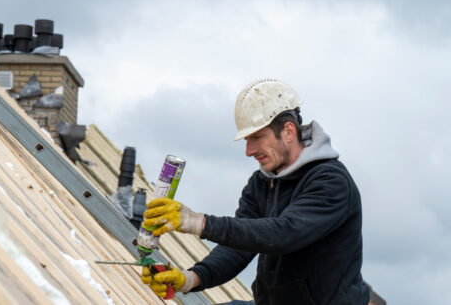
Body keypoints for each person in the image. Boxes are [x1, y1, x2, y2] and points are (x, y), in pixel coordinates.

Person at [141, 79, 370, 305]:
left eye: (257, 138)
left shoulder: (330, 182)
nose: (249, 151)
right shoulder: (262, 183)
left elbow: (283, 235)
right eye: (247, 140)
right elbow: (240, 247)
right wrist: (190, 279)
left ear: (288, 132)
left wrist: (196, 222)